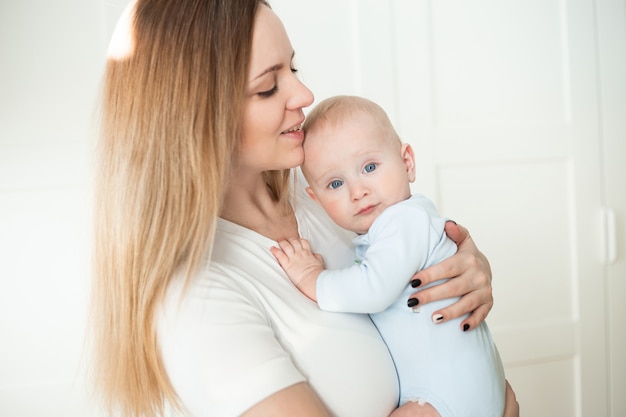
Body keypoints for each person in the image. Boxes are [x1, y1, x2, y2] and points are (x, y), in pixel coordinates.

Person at [90, 1, 519, 417]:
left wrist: (461, 266)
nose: (305, 93)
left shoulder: (320, 189)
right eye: (267, 87)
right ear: (197, 118)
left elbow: (405, 258)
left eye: (292, 68)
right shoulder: (194, 299)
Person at [271, 95, 506, 417]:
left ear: (406, 161)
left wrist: (312, 278)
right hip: (450, 387)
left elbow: (373, 289)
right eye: (336, 183)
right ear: (316, 199)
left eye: (369, 167)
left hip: (446, 392)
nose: (358, 191)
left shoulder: (404, 220)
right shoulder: (391, 226)